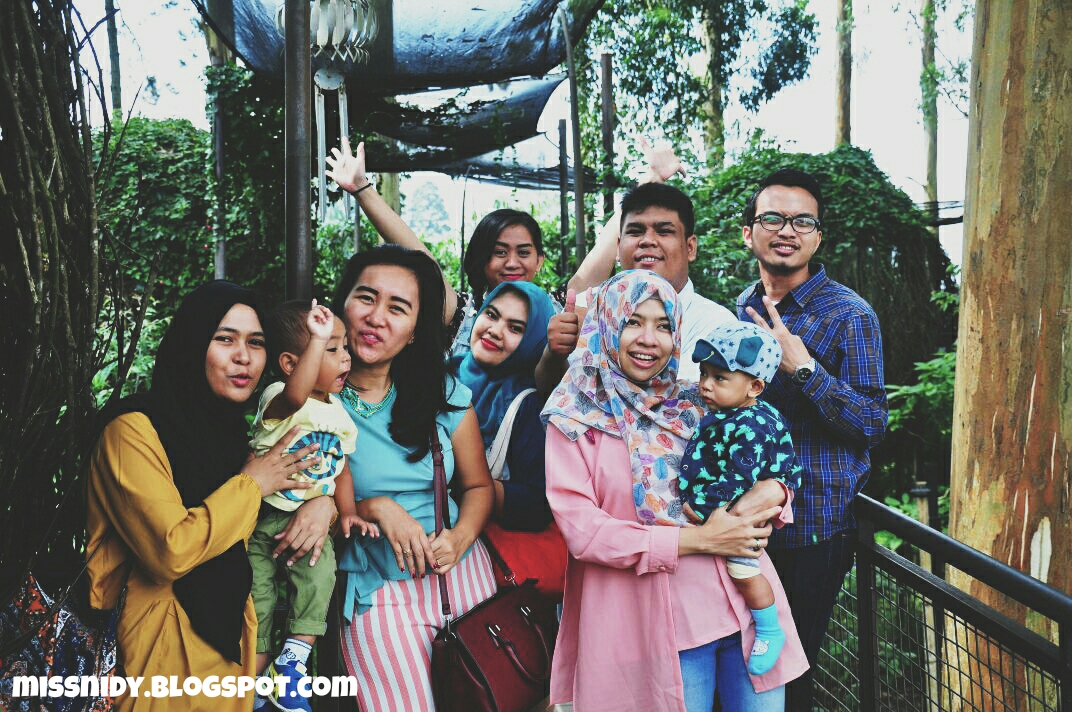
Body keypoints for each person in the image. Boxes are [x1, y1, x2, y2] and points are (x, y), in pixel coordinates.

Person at [542, 269, 808, 712]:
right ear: (607, 322)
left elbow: (766, 456)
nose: (650, 339)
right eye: (633, 321)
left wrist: (777, 493)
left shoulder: (697, 400)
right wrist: (700, 539)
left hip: (745, 607)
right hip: (657, 626)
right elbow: (584, 532)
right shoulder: (574, 419)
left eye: (664, 325)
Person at [86, 281, 335, 712]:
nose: (244, 357)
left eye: (256, 343)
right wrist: (252, 484)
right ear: (192, 343)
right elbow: (170, 551)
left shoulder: (235, 435)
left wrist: (322, 503)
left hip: (229, 652)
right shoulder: (131, 430)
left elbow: (265, 520)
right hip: (155, 656)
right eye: (225, 339)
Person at [738, 168, 888, 711]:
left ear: (817, 237)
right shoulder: (742, 307)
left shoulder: (850, 315)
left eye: (802, 221)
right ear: (748, 232)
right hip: (740, 525)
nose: (787, 230)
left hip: (812, 528)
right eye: (773, 218)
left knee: (790, 676)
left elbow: (872, 422)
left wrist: (805, 370)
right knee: (740, 664)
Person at [331, 245, 497, 712]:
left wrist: (461, 537)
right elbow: (297, 510)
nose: (376, 317)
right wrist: (376, 508)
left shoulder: (443, 394)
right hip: (376, 592)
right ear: (343, 305)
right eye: (366, 298)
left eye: (398, 307)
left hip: (463, 579)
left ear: (415, 331)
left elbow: (478, 486)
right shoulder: (312, 405)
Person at [247, 299, 378, 712]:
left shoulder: (340, 414)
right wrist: (318, 339)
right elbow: (295, 394)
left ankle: (292, 663)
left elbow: (342, 467)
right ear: (290, 363)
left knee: (319, 582)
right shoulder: (280, 398)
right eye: (332, 349)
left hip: (312, 528)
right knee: (257, 599)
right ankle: (254, 684)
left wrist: (348, 511)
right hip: (263, 519)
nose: (346, 357)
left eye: (344, 347)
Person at [324, 137, 557, 356]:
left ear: (539, 261)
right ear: (482, 259)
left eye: (524, 252)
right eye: (500, 252)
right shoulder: (463, 316)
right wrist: (362, 188)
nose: (512, 263)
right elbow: (421, 257)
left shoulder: (562, 310)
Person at [677, 321, 803, 677]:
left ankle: (769, 627)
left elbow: (739, 477)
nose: (705, 384)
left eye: (720, 378)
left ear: (755, 386)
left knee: (743, 570)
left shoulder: (750, 425)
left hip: (743, 509)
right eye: (704, 374)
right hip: (736, 504)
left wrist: (703, 506)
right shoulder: (731, 412)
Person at [536, 179, 736, 391]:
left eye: (664, 231)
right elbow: (547, 391)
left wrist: (601, 350)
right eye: (635, 231)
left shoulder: (718, 326)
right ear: (619, 246)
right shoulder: (584, 306)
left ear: (690, 247)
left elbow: (690, 400)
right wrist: (554, 355)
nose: (647, 240)